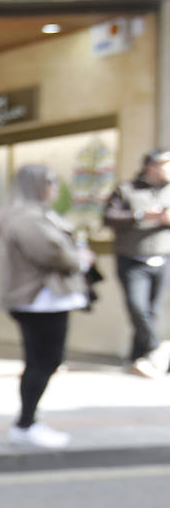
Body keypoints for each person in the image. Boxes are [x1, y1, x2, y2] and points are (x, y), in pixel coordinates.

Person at [0, 163, 91, 450]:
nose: (55, 188)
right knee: (44, 362)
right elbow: (51, 254)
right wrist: (80, 258)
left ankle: (29, 418)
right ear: (36, 185)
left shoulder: (27, 215)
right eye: (51, 182)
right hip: (39, 299)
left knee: (43, 361)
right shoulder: (26, 218)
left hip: (40, 299)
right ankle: (26, 424)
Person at [103, 147, 170, 377]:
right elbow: (108, 217)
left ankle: (137, 357)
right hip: (132, 258)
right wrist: (141, 216)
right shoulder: (127, 189)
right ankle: (156, 350)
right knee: (137, 307)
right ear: (151, 166)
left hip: (163, 257)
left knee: (152, 311)